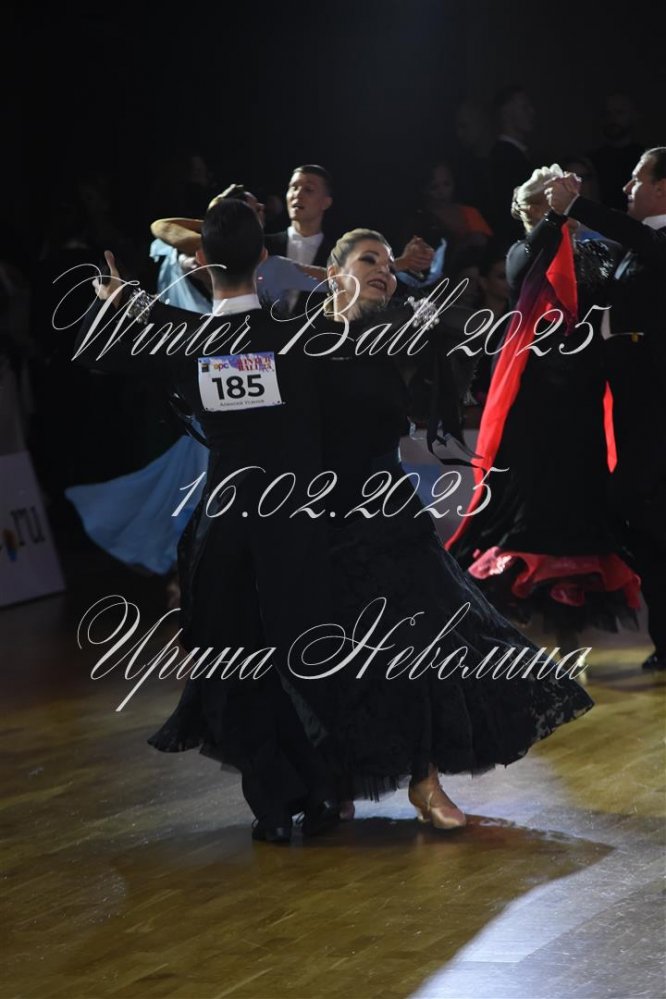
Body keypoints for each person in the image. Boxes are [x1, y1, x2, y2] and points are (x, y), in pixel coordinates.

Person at [75, 214, 593, 839]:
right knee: (323, 667)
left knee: (411, 649)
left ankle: (417, 779)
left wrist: (399, 285)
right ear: (331, 273)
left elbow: (463, 328)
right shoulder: (296, 335)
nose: (382, 273)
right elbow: (207, 328)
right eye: (368, 261)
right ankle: (330, 784)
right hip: (316, 529)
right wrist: (161, 294)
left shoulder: (388, 331)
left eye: (387, 265)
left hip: (384, 525)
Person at [75, 199, 340, 843]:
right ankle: (319, 792)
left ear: (199, 261)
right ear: (264, 258)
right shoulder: (299, 335)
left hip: (226, 531)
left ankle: (273, 807)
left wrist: (118, 303)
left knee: (236, 664)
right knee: (303, 658)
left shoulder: (187, 340)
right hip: (296, 528)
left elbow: (95, 355)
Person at [447, 166, 640, 646]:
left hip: (584, 398)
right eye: (541, 202)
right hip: (534, 403)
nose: (553, 208)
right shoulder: (522, 251)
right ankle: (525, 639)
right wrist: (553, 217)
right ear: (529, 210)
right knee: (532, 507)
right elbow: (530, 260)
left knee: (579, 502)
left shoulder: (598, 251)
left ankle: (569, 635)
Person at [546, 148, 666, 670]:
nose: (626, 187)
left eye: (637, 179)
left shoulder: (652, 241)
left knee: (641, 511)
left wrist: (578, 205)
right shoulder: (632, 248)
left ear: (663, 188)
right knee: (639, 518)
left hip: (657, 407)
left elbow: (640, 238)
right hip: (633, 405)